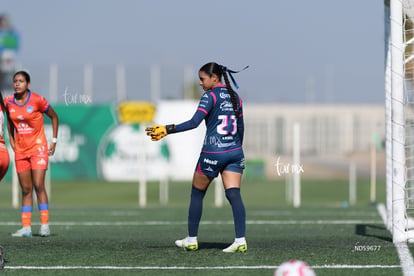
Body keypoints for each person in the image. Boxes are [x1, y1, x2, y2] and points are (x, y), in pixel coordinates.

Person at [146, 62, 248, 253]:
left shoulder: (209, 96)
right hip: (235, 151)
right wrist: (236, 149)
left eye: (202, 79)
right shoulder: (236, 97)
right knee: (234, 194)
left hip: (213, 153)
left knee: (197, 193)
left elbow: (194, 122)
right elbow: (241, 127)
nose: (200, 83)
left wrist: (167, 129)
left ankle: (191, 240)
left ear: (214, 78)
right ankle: (240, 240)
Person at [4, 71, 59, 237]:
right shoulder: (8, 102)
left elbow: (54, 117)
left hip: (38, 148)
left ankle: (44, 226)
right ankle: (26, 228)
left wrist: (54, 141)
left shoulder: (37, 100)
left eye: (21, 81)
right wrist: (12, 141)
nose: (17, 84)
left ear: (28, 84)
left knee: (38, 185)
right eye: (15, 81)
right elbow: (9, 121)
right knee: (26, 189)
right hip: (21, 150)